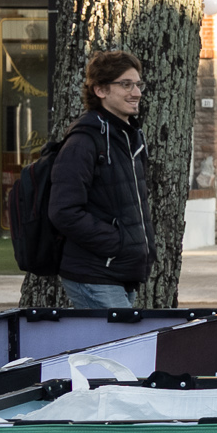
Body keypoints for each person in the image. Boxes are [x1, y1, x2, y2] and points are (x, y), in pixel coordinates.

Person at [49, 49, 152, 310]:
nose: (136, 93)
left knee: (116, 338)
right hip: (94, 274)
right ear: (100, 90)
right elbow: (64, 211)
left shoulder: (129, 137)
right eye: (126, 84)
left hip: (121, 273)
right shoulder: (84, 141)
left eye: (138, 84)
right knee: (120, 337)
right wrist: (118, 243)